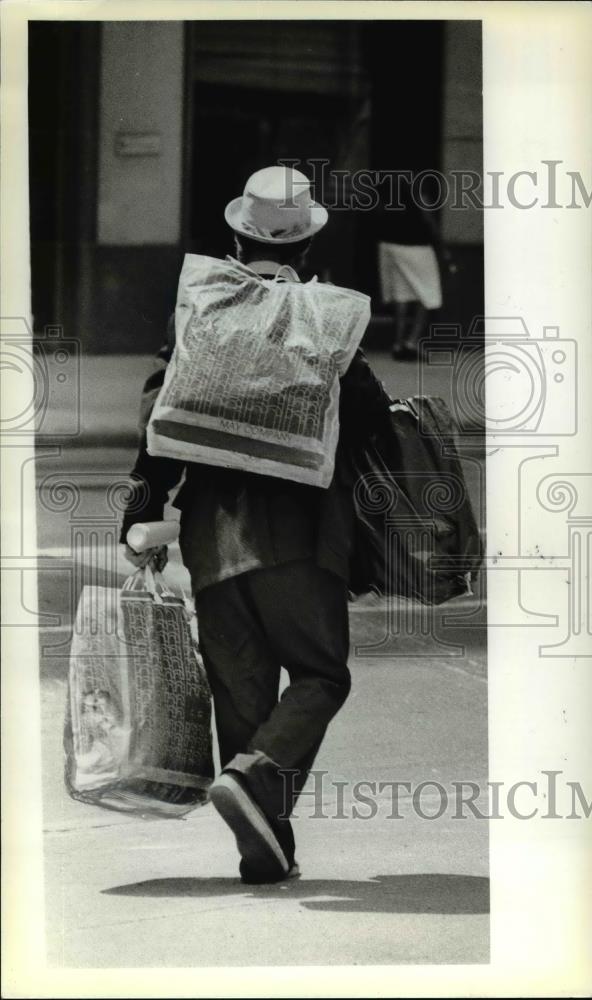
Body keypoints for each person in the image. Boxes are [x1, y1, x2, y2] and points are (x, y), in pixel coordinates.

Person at [120, 165, 387, 884]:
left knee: (242, 699)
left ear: (237, 241)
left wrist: (140, 509)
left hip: (213, 540)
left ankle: (265, 855)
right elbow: (367, 421)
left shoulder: (201, 312)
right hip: (300, 540)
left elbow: (157, 419)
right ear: (306, 250)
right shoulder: (325, 319)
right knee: (322, 675)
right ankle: (262, 777)